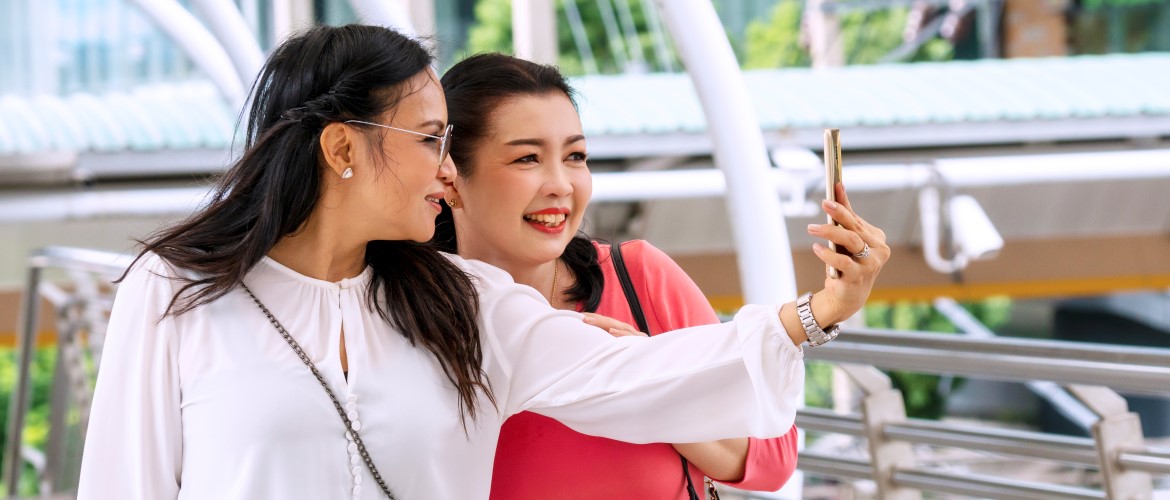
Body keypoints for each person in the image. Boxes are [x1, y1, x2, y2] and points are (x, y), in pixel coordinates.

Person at [77, 25, 889, 500]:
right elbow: (126, 484)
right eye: (429, 141)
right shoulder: (176, 292)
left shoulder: (467, 301)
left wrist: (820, 310)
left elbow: (647, 379)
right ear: (341, 149)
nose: (445, 169)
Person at [434, 53, 804, 499]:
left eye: (575, 156)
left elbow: (774, 456)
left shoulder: (639, 277)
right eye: (528, 158)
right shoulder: (409, 314)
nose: (561, 184)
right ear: (450, 178)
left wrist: (650, 383)